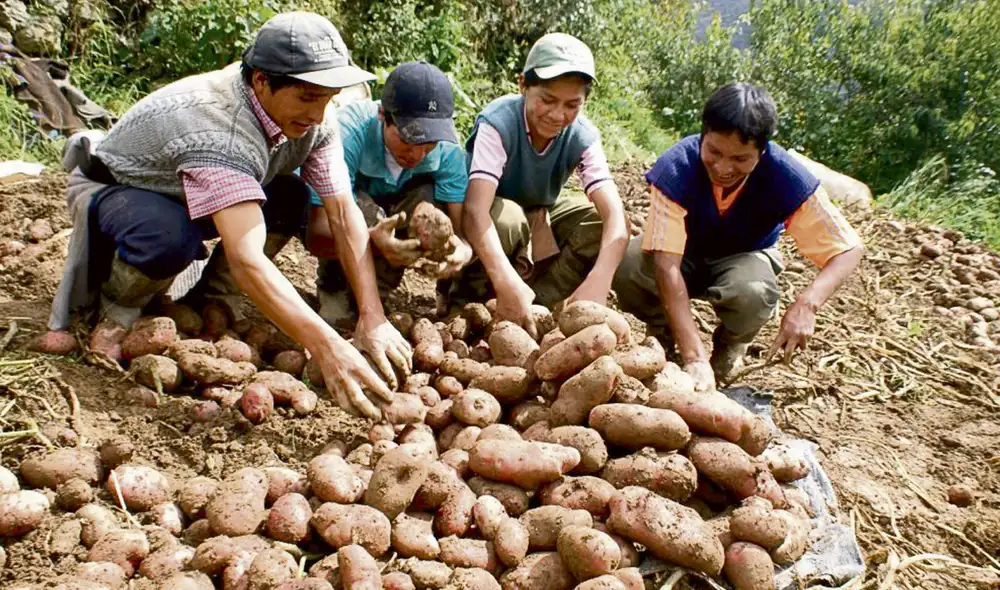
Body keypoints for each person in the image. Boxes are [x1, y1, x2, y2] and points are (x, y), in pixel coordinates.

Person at [42, 12, 411, 419]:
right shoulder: (219, 128)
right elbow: (247, 257)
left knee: (289, 196)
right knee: (169, 237)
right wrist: (328, 346)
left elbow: (342, 211)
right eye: (307, 98)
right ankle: (117, 311)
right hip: (123, 189)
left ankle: (211, 303)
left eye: (327, 99)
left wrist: (372, 317)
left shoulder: (314, 122)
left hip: (192, 188)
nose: (319, 115)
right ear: (261, 82)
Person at [613, 83, 865, 390]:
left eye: (740, 159)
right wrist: (694, 358)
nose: (723, 167)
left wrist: (807, 304)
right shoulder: (677, 168)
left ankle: (732, 344)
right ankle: (663, 332)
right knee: (628, 264)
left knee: (754, 293)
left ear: (762, 151)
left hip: (746, 254)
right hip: (682, 254)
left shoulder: (785, 176)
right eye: (714, 151)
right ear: (702, 135)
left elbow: (849, 248)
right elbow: (666, 266)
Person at [462, 33, 629, 337]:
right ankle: (471, 302)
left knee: (596, 223)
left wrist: (600, 281)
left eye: (572, 104)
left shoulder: (582, 135)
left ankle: (541, 301)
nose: (557, 115)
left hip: (539, 212)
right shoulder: (498, 123)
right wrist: (505, 279)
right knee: (508, 218)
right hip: (490, 223)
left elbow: (616, 216)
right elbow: (474, 211)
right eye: (547, 100)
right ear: (522, 85)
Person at [304, 61, 473, 324]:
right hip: (349, 220)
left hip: (394, 226)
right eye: (408, 139)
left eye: (429, 144)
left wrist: (461, 251)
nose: (417, 154)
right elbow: (316, 233)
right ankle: (335, 286)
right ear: (383, 115)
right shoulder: (346, 134)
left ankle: (377, 292)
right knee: (357, 209)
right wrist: (372, 240)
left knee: (428, 196)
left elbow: (462, 233)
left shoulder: (448, 153)